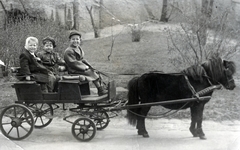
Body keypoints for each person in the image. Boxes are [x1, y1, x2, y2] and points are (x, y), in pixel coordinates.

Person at [64, 30, 107, 96]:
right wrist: (84, 67)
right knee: (91, 72)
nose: (75, 41)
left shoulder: (79, 48)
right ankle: (100, 90)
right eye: (73, 39)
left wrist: (90, 66)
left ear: (80, 40)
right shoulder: (68, 51)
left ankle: (102, 87)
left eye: (77, 39)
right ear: (70, 40)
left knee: (95, 71)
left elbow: (82, 59)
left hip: (79, 68)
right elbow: (72, 63)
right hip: (74, 69)